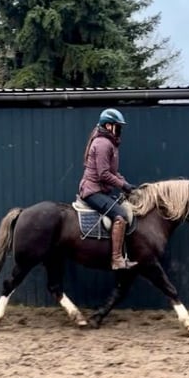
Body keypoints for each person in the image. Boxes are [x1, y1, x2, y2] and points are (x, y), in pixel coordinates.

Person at [78, 108, 138, 270]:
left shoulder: (109, 143)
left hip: (100, 190)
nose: (120, 130)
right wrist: (122, 185)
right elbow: (103, 174)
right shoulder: (103, 144)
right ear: (108, 126)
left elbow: (113, 172)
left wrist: (126, 185)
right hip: (92, 191)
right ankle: (117, 259)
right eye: (118, 126)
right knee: (121, 215)